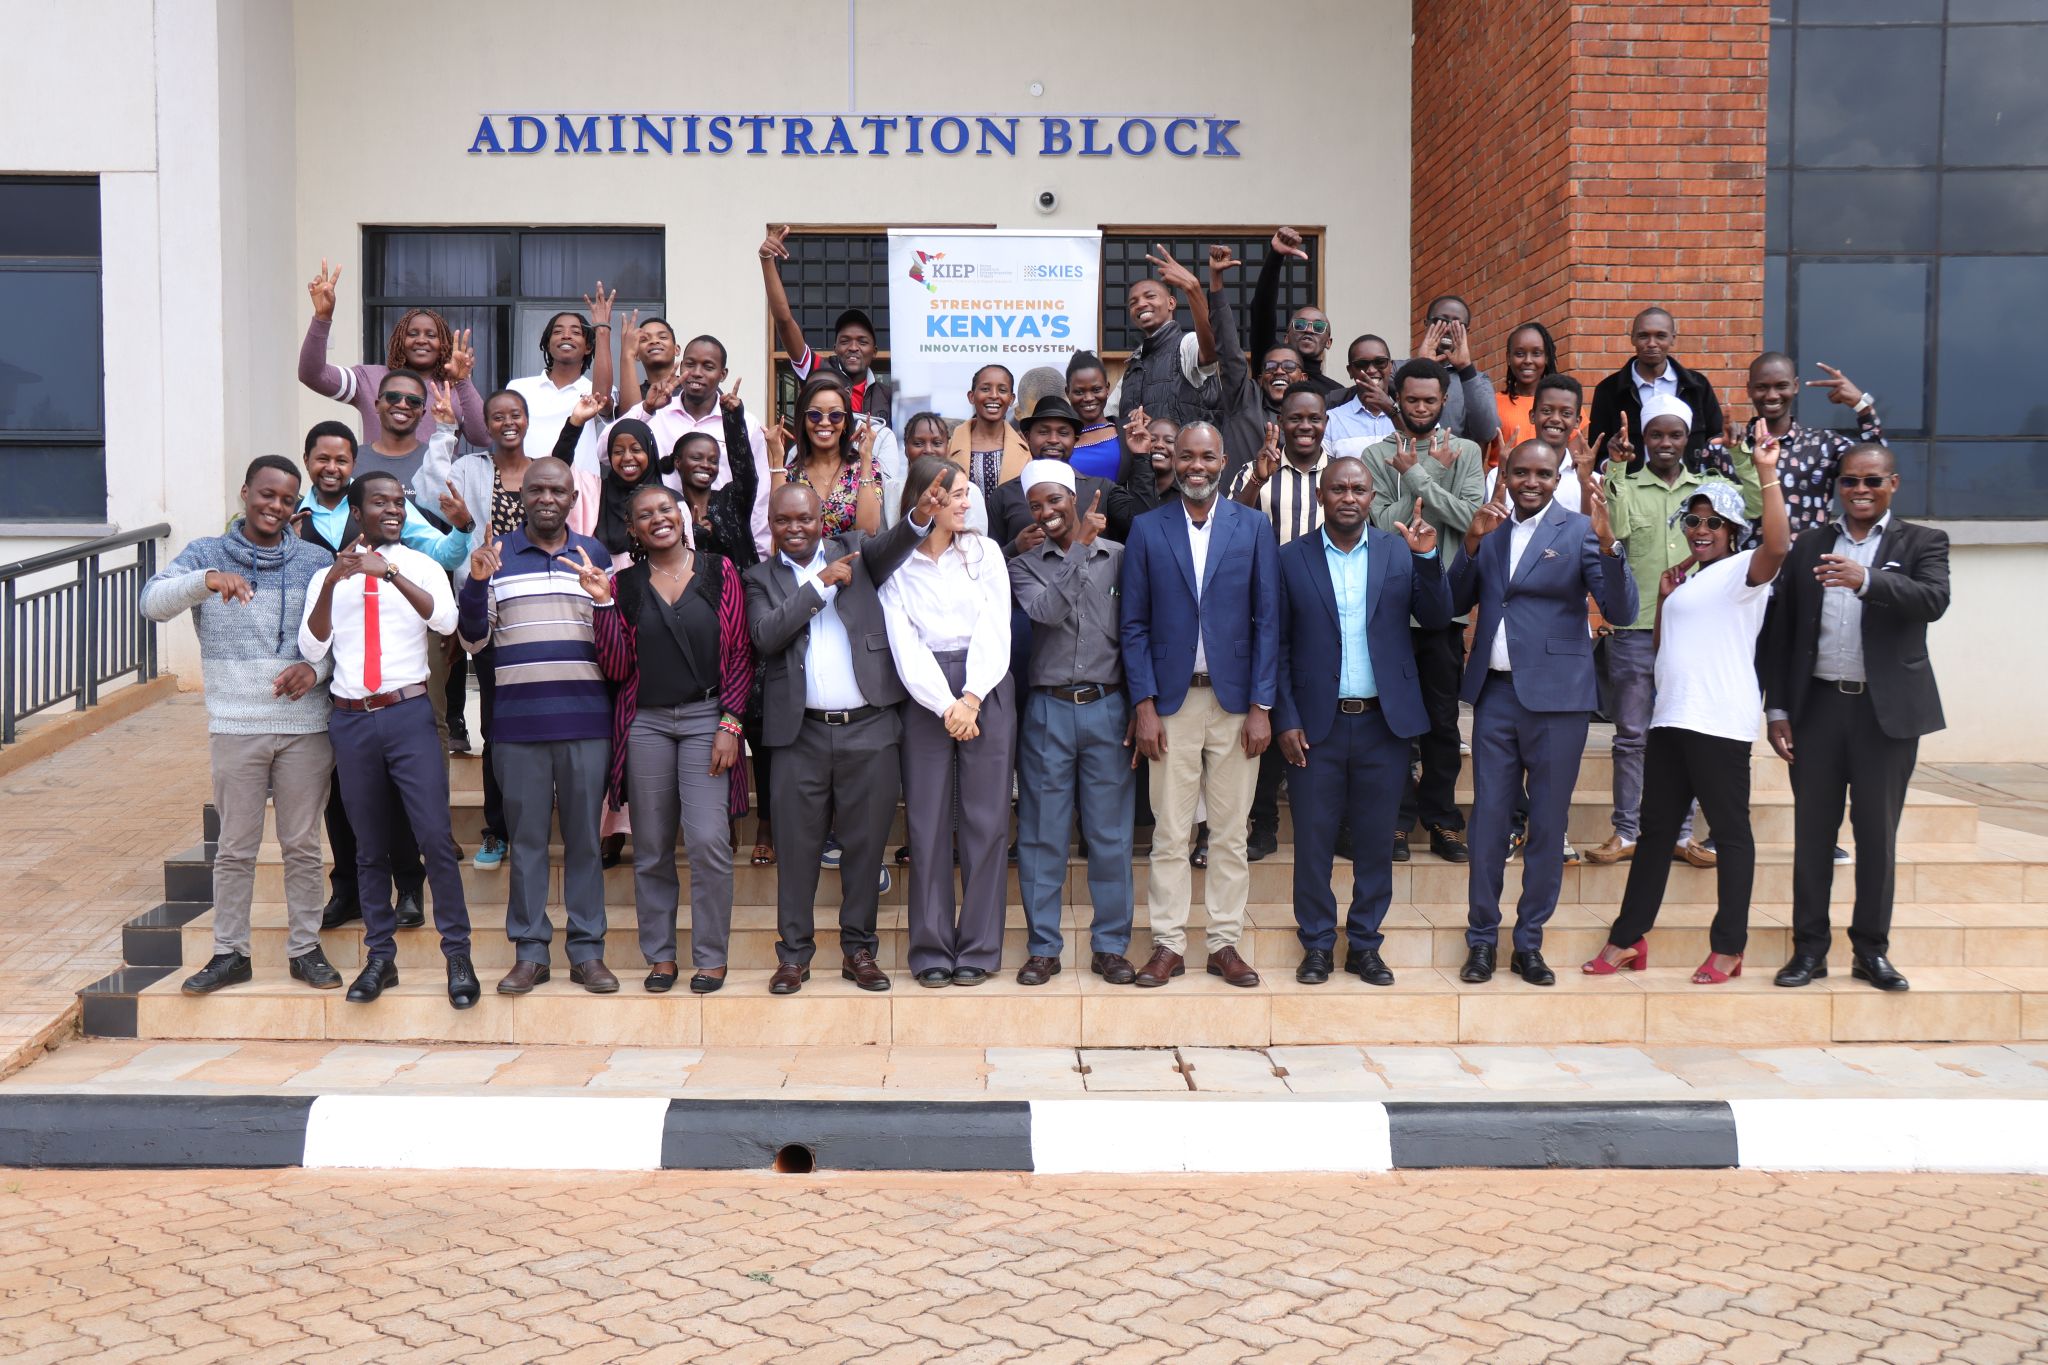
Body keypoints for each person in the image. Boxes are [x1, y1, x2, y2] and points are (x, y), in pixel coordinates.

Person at [1588, 437, 1791, 984]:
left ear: (1732, 530)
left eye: (1713, 523)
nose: (1701, 530)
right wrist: (1664, 595)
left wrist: (1766, 472)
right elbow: (1664, 650)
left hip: (1717, 722)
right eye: (1694, 521)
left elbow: (1778, 543)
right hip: (1672, 720)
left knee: (1731, 833)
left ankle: (1729, 948)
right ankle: (1628, 939)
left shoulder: (1745, 572)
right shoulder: (1687, 581)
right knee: (1655, 834)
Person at [143, 457, 339, 995]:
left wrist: (316, 669)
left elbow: (339, 637)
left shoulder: (316, 561)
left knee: (302, 846)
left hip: (305, 727)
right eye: (266, 494)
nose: (275, 506)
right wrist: (205, 582)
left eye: (286, 499)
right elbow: (151, 603)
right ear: (245, 492)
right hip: (235, 724)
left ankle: (305, 949)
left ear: (295, 507)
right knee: (235, 848)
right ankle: (231, 953)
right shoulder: (205, 554)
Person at [1764, 443, 1949, 994]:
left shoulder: (1922, 542)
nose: (1860, 490)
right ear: (1837, 486)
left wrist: (1866, 580)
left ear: (1893, 484)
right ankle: (1809, 951)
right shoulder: (1810, 544)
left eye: (1872, 481)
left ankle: (1871, 951)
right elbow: (1784, 630)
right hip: (1817, 709)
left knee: (1876, 837)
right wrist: (1778, 708)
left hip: (1883, 715)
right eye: (1849, 481)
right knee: (1813, 836)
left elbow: (1933, 599)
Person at [746, 479, 943, 993]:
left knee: (865, 846)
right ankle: (794, 956)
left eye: (804, 519)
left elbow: (893, 546)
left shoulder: (854, 550)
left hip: (870, 727)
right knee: (796, 850)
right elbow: (766, 635)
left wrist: (919, 519)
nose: (795, 529)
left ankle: (859, 951)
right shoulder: (759, 577)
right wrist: (818, 587)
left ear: (821, 521)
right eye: (784, 520)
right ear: (772, 524)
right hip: (799, 736)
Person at [1453, 440, 1636, 986]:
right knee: (1488, 821)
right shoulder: (1491, 530)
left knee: (1548, 823)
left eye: (1543, 474)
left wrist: (1610, 545)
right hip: (1495, 696)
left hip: (1559, 701)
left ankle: (1528, 942)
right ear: (1505, 475)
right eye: (1520, 472)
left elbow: (1622, 609)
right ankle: (1482, 939)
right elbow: (1454, 603)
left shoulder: (1580, 531)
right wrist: (1469, 545)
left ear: (1558, 479)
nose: (1530, 482)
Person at [298, 472, 477, 1008]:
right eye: (381, 502)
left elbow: (445, 621)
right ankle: (380, 956)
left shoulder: (420, 565)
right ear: (356, 512)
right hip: (352, 720)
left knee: (435, 839)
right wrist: (332, 582)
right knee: (368, 845)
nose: (394, 510)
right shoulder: (328, 575)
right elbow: (312, 647)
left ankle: (458, 955)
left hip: (408, 715)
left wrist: (391, 573)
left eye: (399, 502)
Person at [1274, 459, 1451, 985]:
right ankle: (1317, 945)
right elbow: (1276, 645)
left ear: (1372, 497)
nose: (1348, 497)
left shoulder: (1399, 551)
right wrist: (1285, 717)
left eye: (1358, 489)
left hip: (1384, 724)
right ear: (1321, 496)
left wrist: (1428, 559)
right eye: (1338, 489)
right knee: (1313, 842)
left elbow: (1437, 617)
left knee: (1377, 841)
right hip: (1315, 727)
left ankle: (1365, 945)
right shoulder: (1290, 558)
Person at [1121, 422, 1280, 989]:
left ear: (1223, 461)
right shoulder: (1148, 528)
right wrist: (1143, 704)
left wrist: (1262, 705)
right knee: (1170, 832)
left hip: (1236, 706)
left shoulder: (1253, 527)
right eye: (1186, 456)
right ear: (1173, 459)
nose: (1195, 466)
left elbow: (1269, 621)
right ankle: (1167, 945)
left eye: (1206, 457)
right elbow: (1133, 625)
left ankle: (1223, 944)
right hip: (1171, 704)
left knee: (1231, 833)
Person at [456, 457, 617, 996]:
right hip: (518, 727)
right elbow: (473, 640)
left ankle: (587, 952)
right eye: (537, 490)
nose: (547, 498)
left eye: (558, 491)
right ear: (522, 497)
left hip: (586, 723)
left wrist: (604, 597)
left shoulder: (594, 554)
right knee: (526, 843)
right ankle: (530, 952)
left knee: (584, 842)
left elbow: (613, 635)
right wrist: (476, 585)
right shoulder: (495, 556)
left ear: (573, 499)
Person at [1584, 394, 1761, 869]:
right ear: (1644, 438)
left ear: (1687, 439)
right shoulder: (1626, 481)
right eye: (1656, 434)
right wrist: (1616, 468)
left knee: (1687, 734)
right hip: (1634, 630)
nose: (1666, 442)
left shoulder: (1707, 489)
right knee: (1631, 736)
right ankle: (1626, 831)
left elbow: (1755, 504)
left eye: (1675, 434)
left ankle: (1682, 835)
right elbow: (1615, 530)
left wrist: (1744, 456)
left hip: (1694, 634)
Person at [594, 483, 755, 994]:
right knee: (651, 846)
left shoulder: (719, 571)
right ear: (633, 529)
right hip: (646, 724)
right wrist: (602, 606)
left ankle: (711, 957)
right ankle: (661, 956)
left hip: (709, 718)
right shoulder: (623, 585)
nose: (657, 518)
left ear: (681, 516)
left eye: (665, 508)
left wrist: (731, 723)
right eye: (645, 515)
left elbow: (739, 653)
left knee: (708, 841)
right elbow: (616, 668)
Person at [437, 389, 603, 872]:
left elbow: (560, 467)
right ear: (484, 424)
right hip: (494, 604)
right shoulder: (473, 470)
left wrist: (575, 423)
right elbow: (438, 494)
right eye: (496, 416)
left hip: (554, 614)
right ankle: (498, 828)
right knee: (498, 729)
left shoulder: (544, 475)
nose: (507, 422)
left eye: (516, 414)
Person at [882, 458, 1016, 987]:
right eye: (955, 494)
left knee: (987, 821)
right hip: (925, 693)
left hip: (987, 684)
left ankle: (979, 948)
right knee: (927, 822)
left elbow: (996, 627)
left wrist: (973, 697)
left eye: (966, 493)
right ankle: (931, 949)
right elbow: (904, 643)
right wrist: (945, 705)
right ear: (926, 499)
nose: (965, 502)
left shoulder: (985, 552)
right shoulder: (897, 563)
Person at [1007, 463, 1136, 986]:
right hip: (1049, 709)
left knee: (1110, 834)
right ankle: (1043, 948)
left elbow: (1135, 631)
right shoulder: (1023, 566)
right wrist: (1079, 548)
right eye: (1036, 505)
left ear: (1075, 497)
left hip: (1108, 706)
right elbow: (1044, 612)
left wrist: (1140, 705)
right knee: (1043, 835)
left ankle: (1111, 946)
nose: (1047, 512)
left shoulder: (1120, 558)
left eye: (1055, 500)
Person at [1357, 359, 1485, 865]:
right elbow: (1381, 524)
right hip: (1390, 609)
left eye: (1430, 400)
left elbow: (1471, 520)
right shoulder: (1375, 454)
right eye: (1411, 399)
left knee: (1442, 724)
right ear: (1398, 399)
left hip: (1443, 609)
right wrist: (1431, 476)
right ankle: (1396, 819)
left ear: (1444, 400)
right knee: (1392, 722)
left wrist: (1414, 475)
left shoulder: (1467, 452)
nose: (1421, 408)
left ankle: (1442, 820)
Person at [1229, 385, 1336, 862]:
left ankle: (1336, 821)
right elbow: (1231, 525)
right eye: (1296, 418)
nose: (1305, 426)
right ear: (1281, 422)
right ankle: (1264, 823)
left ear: (1325, 422)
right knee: (1268, 705)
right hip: (1265, 605)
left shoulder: (1342, 471)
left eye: (1314, 418)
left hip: (1325, 607)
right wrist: (1258, 478)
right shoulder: (1255, 469)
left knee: (1320, 704)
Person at [298, 259, 486, 447]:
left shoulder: (454, 389)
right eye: (412, 334)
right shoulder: (368, 378)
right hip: (375, 467)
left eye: (431, 335)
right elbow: (313, 375)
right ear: (399, 341)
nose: (421, 340)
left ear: (443, 344)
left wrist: (463, 381)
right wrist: (322, 317)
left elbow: (483, 437)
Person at [619, 334, 775, 558]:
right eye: (690, 364)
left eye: (708, 367)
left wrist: (759, 551)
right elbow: (607, 452)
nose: (697, 373)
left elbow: (758, 493)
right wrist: (646, 408)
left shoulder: (745, 424)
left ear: (723, 374)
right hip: (667, 539)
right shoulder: (657, 415)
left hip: (729, 541)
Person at [1737, 353, 1883, 537]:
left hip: (1808, 555)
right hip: (1746, 556)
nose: (1772, 395)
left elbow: (1877, 465)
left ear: (1796, 386)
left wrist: (1862, 406)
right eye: (1761, 387)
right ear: (1749, 389)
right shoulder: (1728, 448)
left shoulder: (1824, 445)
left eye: (1781, 386)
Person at [759, 225, 890, 421]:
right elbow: (784, 321)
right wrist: (767, 260)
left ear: (875, 351)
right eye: (845, 341)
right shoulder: (818, 370)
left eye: (862, 342)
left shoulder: (888, 396)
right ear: (835, 348)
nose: (853, 347)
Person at [1588, 306, 1726, 466]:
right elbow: (1598, 453)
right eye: (1643, 336)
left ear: (1672, 338)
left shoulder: (1697, 386)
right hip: (1631, 482)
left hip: (1690, 480)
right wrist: (1614, 462)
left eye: (1660, 336)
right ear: (1632, 338)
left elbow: (1715, 437)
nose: (1652, 344)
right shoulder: (1609, 390)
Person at [1108, 244, 1222, 429]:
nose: (1141, 304)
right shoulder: (1133, 367)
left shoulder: (1186, 344)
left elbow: (1210, 353)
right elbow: (1108, 418)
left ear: (1171, 303)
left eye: (1150, 296)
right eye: (1133, 302)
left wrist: (1192, 288)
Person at [991, 395, 1120, 551]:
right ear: (1027, 437)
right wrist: (1015, 547)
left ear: (1075, 440)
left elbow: (1141, 527)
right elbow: (987, 559)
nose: (1053, 440)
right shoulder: (1003, 495)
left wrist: (1141, 456)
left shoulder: (1102, 489)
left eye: (1063, 433)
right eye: (1043, 432)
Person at [509, 287, 617, 472]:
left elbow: (601, 399)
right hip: (526, 483)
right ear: (547, 344)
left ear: (588, 347)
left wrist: (602, 329)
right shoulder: (518, 388)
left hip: (580, 485)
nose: (566, 336)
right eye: (558, 331)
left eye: (576, 332)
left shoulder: (593, 390)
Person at [1248, 227, 1347, 402]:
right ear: (1286, 338)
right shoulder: (1271, 367)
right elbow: (1262, 311)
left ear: (1329, 342)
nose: (1308, 330)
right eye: (1300, 325)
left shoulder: (1337, 394)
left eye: (1318, 327)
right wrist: (1276, 256)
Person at [783, 371, 886, 537]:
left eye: (835, 415)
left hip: (853, 554)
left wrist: (866, 458)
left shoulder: (868, 466)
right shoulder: (791, 474)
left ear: (845, 422)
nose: (825, 422)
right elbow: (779, 530)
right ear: (804, 421)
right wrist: (776, 459)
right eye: (814, 415)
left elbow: (868, 530)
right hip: (806, 555)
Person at [1389, 295, 1500, 446]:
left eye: (1457, 325)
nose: (1447, 329)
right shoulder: (1397, 369)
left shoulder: (1477, 380)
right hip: (1405, 456)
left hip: (1454, 460)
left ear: (1466, 331)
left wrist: (1466, 369)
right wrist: (1422, 365)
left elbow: (1487, 433)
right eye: (1440, 321)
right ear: (1426, 324)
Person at [944, 364, 1030, 500]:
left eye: (1002, 390)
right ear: (971, 396)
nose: (994, 395)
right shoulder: (948, 447)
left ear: (1011, 399)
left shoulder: (1027, 450)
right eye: (985, 389)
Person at [1326, 335, 1397, 454]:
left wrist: (1392, 409)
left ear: (1391, 366)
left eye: (1380, 362)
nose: (1371, 370)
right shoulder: (1332, 420)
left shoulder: (1410, 416)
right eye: (1361, 364)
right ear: (1350, 371)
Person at [1064, 352, 1126, 482]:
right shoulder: (1059, 439)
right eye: (1079, 392)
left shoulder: (1127, 433)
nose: (1088, 398)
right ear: (1067, 392)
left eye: (1096, 390)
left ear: (1107, 388)